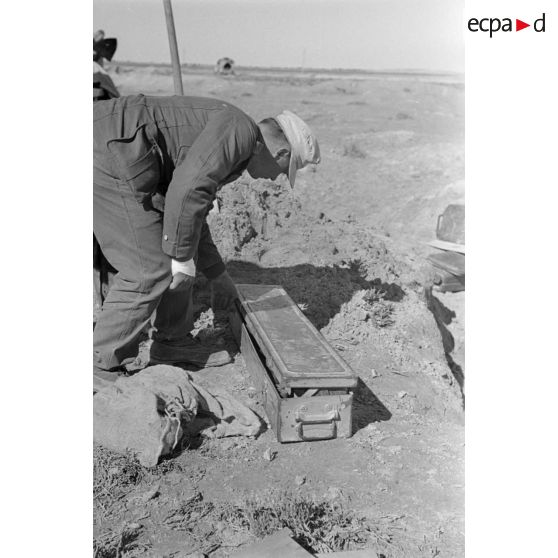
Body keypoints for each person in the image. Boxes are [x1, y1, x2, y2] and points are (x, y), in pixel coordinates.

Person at [93, 95, 320, 388]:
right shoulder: (239, 132)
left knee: (175, 246)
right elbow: (188, 194)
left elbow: (190, 214)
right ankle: (101, 363)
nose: (275, 179)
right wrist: (182, 261)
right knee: (149, 269)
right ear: (281, 154)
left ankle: (172, 342)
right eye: (283, 172)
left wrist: (216, 274)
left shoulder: (238, 141)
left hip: (120, 153)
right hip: (108, 153)